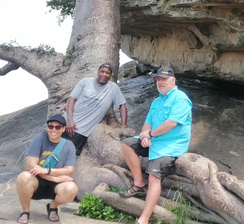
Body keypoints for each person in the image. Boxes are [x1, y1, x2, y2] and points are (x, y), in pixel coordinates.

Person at [120, 66, 192, 224]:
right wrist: (145, 134)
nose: (160, 82)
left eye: (164, 79)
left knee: (154, 177)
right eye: (158, 80)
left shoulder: (181, 99)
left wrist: (150, 134)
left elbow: (171, 123)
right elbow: (148, 123)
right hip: (154, 140)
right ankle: (139, 184)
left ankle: (143, 219)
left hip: (171, 145)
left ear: (173, 81)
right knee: (127, 144)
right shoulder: (157, 101)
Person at [16, 114, 78, 223]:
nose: (54, 130)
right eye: (51, 126)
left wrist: (47, 171)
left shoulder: (69, 145)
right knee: (23, 177)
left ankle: (53, 206)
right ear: (47, 127)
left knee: (71, 188)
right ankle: (25, 211)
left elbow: (69, 170)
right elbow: (30, 164)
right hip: (38, 179)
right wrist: (53, 178)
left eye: (58, 127)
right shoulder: (40, 138)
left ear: (63, 129)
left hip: (56, 184)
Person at [64, 63, 128, 155]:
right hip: (65, 122)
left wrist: (124, 126)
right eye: (102, 72)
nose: (104, 74)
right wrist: (69, 120)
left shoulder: (113, 88)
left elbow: (122, 105)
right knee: (48, 149)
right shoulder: (85, 82)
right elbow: (72, 99)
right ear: (98, 72)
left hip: (81, 130)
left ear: (110, 76)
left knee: (65, 154)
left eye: (107, 73)